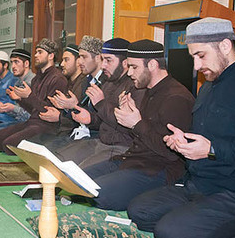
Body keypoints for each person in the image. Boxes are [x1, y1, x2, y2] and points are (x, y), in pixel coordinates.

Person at [128, 17, 235, 238]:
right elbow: (209, 138)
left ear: (224, 45)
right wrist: (184, 141)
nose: (195, 65)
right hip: (201, 184)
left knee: (171, 236)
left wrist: (213, 150)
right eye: (193, 57)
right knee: (139, 210)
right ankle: (202, 219)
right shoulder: (210, 84)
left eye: (200, 55)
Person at [75, 40, 194, 211]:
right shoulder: (146, 90)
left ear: (152, 64)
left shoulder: (176, 98)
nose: (129, 73)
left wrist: (136, 123)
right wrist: (127, 116)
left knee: (96, 194)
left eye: (134, 67)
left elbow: (170, 153)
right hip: (131, 160)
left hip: (156, 170)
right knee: (78, 182)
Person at [53, 38, 145, 169]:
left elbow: (126, 126)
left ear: (125, 63)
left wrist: (101, 103)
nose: (103, 66)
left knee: (80, 173)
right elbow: (102, 121)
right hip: (100, 141)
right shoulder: (108, 83)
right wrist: (90, 119)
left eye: (108, 60)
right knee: (58, 159)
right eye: (103, 60)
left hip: (121, 147)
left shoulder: (135, 87)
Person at [0, 38, 67, 154]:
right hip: (32, 122)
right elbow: (33, 110)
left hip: (47, 126)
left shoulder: (58, 79)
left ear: (51, 56)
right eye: (36, 52)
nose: (35, 55)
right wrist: (20, 99)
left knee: (8, 145)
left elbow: (48, 111)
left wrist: (29, 95)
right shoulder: (37, 79)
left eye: (40, 52)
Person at [29, 44, 87, 146]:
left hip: (74, 134)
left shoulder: (84, 85)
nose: (61, 64)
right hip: (60, 130)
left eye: (66, 60)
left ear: (78, 61)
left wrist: (60, 116)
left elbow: (82, 119)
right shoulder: (68, 82)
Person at [0, 49, 35, 146]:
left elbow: (31, 114)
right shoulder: (17, 83)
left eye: (17, 62)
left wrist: (11, 108)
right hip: (14, 120)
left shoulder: (32, 82)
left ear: (26, 64)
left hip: (27, 124)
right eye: (12, 62)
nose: (14, 66)